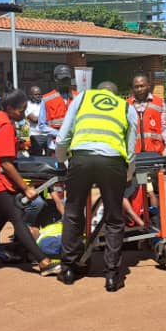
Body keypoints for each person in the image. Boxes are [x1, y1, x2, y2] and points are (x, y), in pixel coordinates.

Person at [0, 89, 61, 278]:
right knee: (16, 217)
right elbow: (6, 163)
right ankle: (44, 262)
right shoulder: (5, 125)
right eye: (21, 111)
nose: (23, 114)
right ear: (9, 108)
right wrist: (25, 188)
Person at [56, 81, 138, 292]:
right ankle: (111, 276)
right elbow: (130, 149)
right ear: (114, 94)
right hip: (112, 162)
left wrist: (63, 161)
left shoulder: (82, 98)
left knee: (73, 212)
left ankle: (68, 269)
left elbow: (63, 135)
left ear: (98, 91)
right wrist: (127, 175)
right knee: (113, 218)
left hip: (81, 158)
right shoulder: (126, 107)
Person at [128, 72, 166, 156]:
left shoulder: (159, 103)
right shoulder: (127, 105)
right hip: (134, 154)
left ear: (148, 86)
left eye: (142, 86)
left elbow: (165, 127)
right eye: (136, 87)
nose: (139, 89)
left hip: (156, 152)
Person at [35, 65, 78, 154]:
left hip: (75, 144)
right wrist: (59, 134)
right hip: (55, 145)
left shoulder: (78, 97)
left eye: (67, 79)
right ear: (56, 79)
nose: (65, 82)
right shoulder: (47, 99)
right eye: (62, 79)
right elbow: (42, 125)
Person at [25, 86, 47, 156]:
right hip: (35, 136)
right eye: (36, 94)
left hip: (48, 135)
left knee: (50, 159)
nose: (38, 96)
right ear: (30, 95)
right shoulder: (27, 105)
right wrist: (48, 116)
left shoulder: (45, 103)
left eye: (39, 94)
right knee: (37, 157)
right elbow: (34, 119)